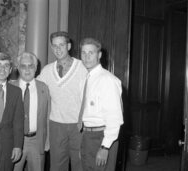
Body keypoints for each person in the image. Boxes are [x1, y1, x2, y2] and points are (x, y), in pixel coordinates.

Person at [37, 31, 87, 171]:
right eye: (54, 46)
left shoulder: (83, 67)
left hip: (78, 125)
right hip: (56, 125)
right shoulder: (47, 71)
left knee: (80, 164)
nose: (58, 49)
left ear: (69, 46)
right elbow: (34, 88)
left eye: (62, 45)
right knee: (57, 165)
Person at [79, 37, 123, 171]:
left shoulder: (107, 80)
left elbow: (114, 118)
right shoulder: (86, 79)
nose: (86, 57)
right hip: (87, 135)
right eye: (83, 53)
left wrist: (105, 147)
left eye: (91, 53)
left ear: (99, 55)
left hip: (102, 137)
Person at [12, 52, 50, 171]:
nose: (27, 70)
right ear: (18, 68)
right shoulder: (10, 88)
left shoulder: (43, 88)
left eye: (31, 66)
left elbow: (48, 115)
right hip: (15, 142)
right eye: (23, 66)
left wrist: (47, 141)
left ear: (36, 68)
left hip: (37, 141)